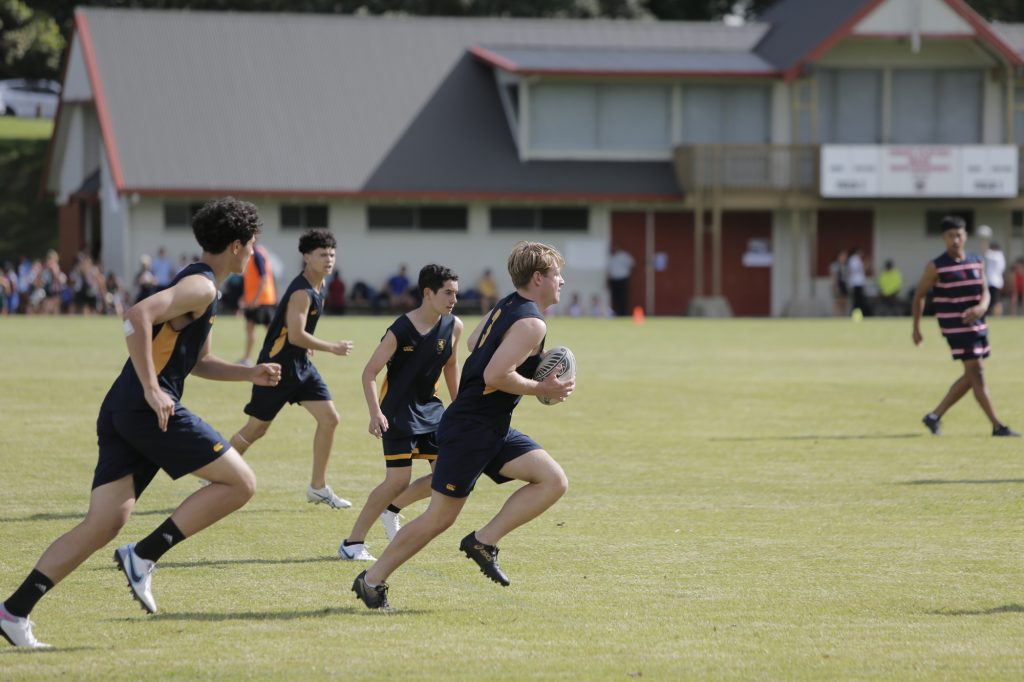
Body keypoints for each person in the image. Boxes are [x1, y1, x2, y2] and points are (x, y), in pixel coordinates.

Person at [0, 197, 281, 649]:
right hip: (147, 408)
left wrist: (250, 373)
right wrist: (153, 389)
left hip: (124, 408)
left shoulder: (206, 287)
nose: (254, 253)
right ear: (235, 245)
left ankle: (14, 610)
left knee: (104, 522)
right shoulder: (203, 287)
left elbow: (199, 361)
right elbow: (137, 316)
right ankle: (144, 554)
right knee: (240, 483)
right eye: (252, 245)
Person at [351, 241, 575, 610]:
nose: (562, 281)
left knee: (553, 480)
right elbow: (494, 372)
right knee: (439, 518)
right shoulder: (532, 322)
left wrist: (525, 363)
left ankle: (484, 541)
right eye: (556, 275)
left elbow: (474, 342)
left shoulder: (507, 305)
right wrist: (541, 387)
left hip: (490, 426)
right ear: (538, 278)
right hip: (471, 429)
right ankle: (371, 581)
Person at [338, 265, 463, 561]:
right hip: (397, 412)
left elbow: (450, 366)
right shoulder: (401, 329)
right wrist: (375, 413)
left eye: (456, 294)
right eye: (447, 293)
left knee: (447, 477)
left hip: (432, 411)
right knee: (397, 481)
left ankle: (391, 510)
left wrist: (458, 408)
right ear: (428, 293)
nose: (453, 299)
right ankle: (352, 543)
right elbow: (369, 372)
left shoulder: (454, 326)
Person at [228, 229, 355, 509]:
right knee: (256, 430)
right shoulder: (302, 292)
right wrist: (331, 347)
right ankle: (216, 470)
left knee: (330, 418)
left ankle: (318, 487)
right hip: (276, 369)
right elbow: (295, 335)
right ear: (307, 257)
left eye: (332, 254)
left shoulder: (318, 286)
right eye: (322, 254)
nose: (329, 259)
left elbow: (296, 334)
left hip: (301, 367)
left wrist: (307, 347)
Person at [911, 215, 1018, 438]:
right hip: (955, 328)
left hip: (977, 325)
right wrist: (916, 327)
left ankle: (934, 416)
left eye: (958, 235)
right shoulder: (936, 266)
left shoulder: (976, 260)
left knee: (972, 377)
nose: (955, 240)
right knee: (977, 372)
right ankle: (997, 426)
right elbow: (919, 295)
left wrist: (982, 307)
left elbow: (985, 290)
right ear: (943, 238)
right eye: (950, 236)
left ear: (966, 236)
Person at [238, 242, 278, 365]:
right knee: (254, 328)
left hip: (261, 300)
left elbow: (264, 278)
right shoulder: (255, 253)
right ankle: (247, 358)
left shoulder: (257, 254)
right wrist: (245, 296)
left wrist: (255, 299)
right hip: (259, 299)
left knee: (271, 331)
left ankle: (276, 357)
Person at [975, 225, 1006, 316]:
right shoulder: (1000, 256)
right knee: (996, 300)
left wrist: (983, 240)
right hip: (997, 282)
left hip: (993, 282)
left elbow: (985, 252)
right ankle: (996, 315)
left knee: (995, 301)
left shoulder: (997, 255)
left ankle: (997, 316)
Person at [607, 243, 634, 316]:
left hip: (623, 279)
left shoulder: (624, 255)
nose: (613, 249)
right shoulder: (611, 257)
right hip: (614, 280)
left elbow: (632, 264)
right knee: (615, 297)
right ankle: (616, 313)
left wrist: (626, 273)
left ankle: (623, 313)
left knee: (623, 297)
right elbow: (609, 270)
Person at [846, 247, 871, 316]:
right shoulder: (854, 259)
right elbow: (859, 270)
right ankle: (856, 314)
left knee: (859, 300)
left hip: (858, 284)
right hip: (856, 284)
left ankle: (859, 314)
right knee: (857, 301)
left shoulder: (857, 259)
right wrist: (866, 264)